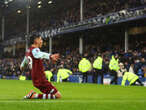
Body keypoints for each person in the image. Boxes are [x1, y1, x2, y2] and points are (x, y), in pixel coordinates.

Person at [20, 34, 61, 99]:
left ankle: (34, 95)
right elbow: (39, 54)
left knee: (52, 93)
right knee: (58, 95)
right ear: (36, 40)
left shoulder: (28, 51)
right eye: (41, 39)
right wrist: (50, 56)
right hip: (40, 79)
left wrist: (22, 67)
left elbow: (23, 64)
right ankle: (34, 95)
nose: (42, 41)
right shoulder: (35, 50)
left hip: (36, 78)